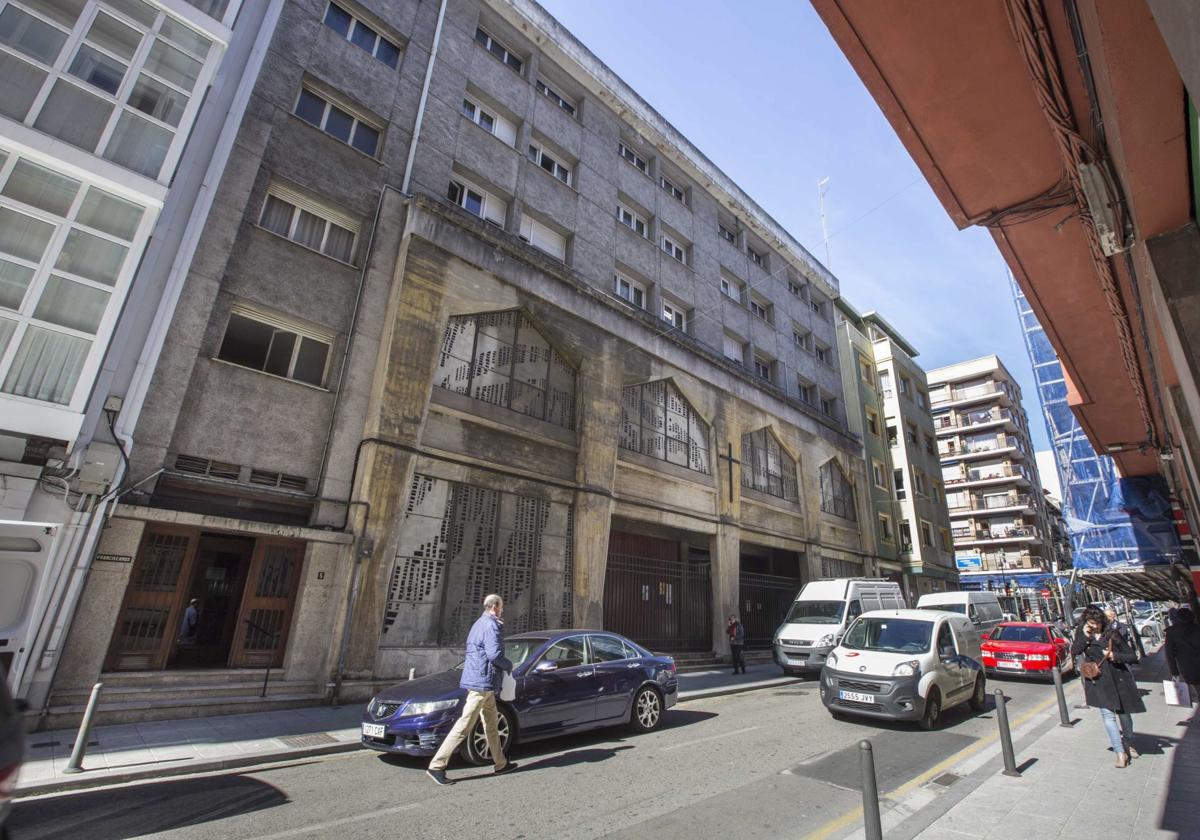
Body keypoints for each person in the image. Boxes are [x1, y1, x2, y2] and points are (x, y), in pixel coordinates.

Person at [427, 594, 515, 786]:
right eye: (501, 607)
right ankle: (437, 765)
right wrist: (509, 665)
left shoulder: (478, 624)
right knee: (465, 724)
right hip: (482, 682)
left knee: (490, 723)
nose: (502, 610)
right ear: (494, 607)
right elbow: (494, 654)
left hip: (483, 681)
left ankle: (501, 763)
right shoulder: (491, 625)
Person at [1072, 605, 1146, 768]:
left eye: (1096, 623)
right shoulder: (1084, 635)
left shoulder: (1113, 634)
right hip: (1098, 681)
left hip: (1119, 679)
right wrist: (1084, 636)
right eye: (1090, 623)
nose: (1094, 626)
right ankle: (1120, 752)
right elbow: (1075, 651)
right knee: (1108, 716)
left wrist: (1115, 656)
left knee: (1124, 716)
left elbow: (1132, 656)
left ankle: (1128, 742)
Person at [1164, 607, 1200, 706]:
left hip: (1188, 668)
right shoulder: (1197, 628)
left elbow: (1169, 654)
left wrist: (1174, 672)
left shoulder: (1172, 632)